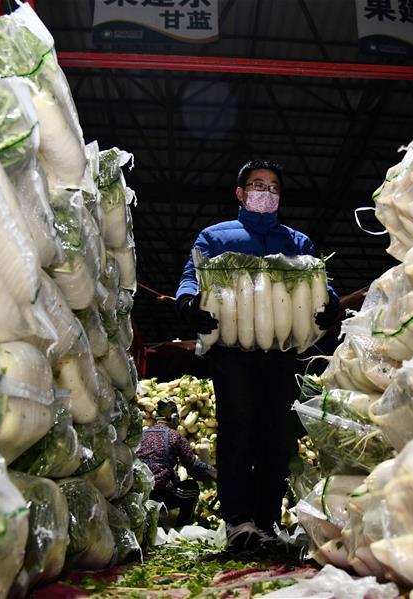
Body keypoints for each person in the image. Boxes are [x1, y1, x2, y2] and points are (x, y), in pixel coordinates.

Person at [175, 159, 341, 551]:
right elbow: (190, 275)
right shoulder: (215, 237)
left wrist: (330, 304)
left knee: (277, 436)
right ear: (240, 193)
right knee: (238, 428)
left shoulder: (296, 242)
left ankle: (265, 521)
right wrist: (186, 302)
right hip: (232, 350)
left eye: (272, 187)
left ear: (279, 196)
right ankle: (237, 521)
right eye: (256, 185)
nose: (264, 193)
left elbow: (318, 282)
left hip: (281, 350)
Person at [137, 399, 217, 529]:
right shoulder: (175, 436)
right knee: (192, 488)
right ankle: (182, 526)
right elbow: (193, 466)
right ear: (174, 418)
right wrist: (212, 472)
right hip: (159, 495)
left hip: (140, 494)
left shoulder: (142, 434)